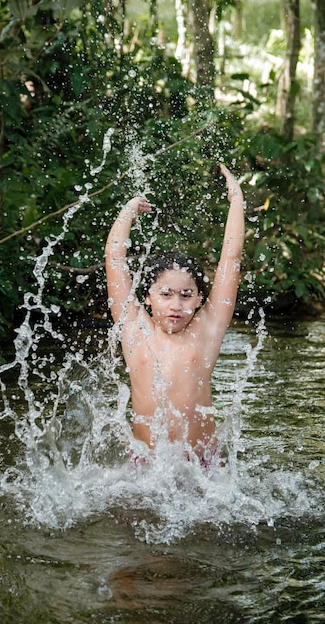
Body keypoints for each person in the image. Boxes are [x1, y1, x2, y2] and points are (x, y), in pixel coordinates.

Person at [105, 164, 245, 466]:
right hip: (147, 465)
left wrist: (236, 201)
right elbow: (114, 257)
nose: (176, 305)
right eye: (165, 295)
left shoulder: (206, 330)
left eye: (186, 295)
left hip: (202, 465)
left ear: (198, 300)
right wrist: (128, 211)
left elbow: (230, 257)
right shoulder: (134, 329)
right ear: (148, 298)